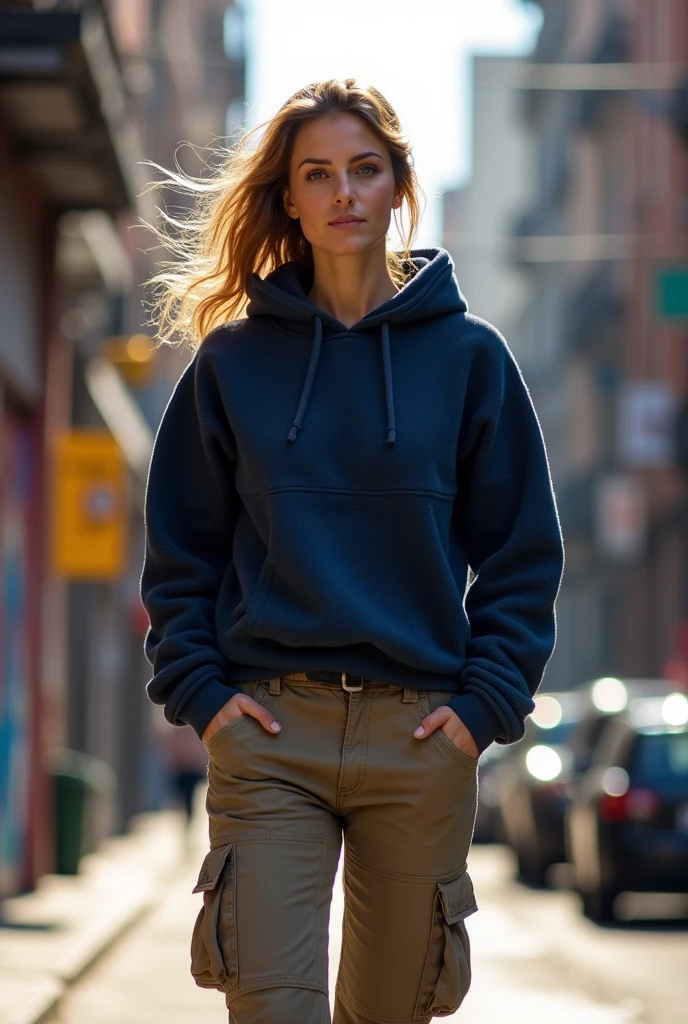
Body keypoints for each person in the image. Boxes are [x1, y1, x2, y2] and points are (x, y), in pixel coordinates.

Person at [140, 78, 565, 1024]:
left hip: (421, 737)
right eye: (319, 173)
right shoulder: (232, 364)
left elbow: (522, 554)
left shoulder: (471, 359)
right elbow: (180, 554)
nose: (344, 194)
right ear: (288, 197)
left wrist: (482, 704)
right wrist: (205, 698)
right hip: (269, 738)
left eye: (365, 170)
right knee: (274, 1010)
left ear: (397, 186)